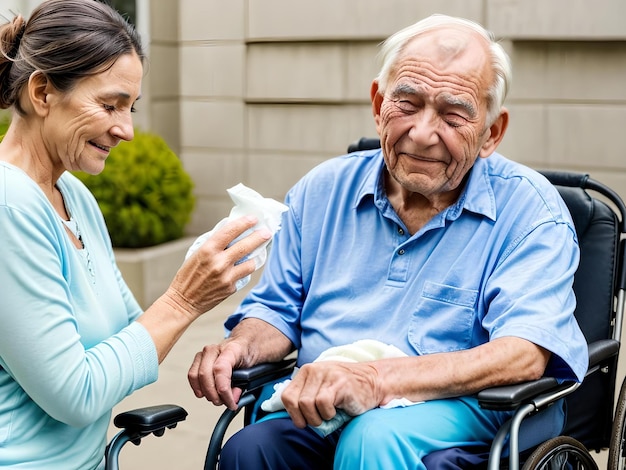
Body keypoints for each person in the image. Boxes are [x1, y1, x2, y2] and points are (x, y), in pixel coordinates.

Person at [187, 13, 588, 470]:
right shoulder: (321, 191)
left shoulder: (532, 213)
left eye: (453, 115)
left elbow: (523, 351)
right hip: (331, 407)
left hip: (472, 405)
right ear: (379, 104)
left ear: (491, 133)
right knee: (249, 449)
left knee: (373, 440)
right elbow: (278, 309)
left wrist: (376, 380)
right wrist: (240, 345)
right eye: (408, 103)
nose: (422, 133)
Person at [0, 1, 271, 469]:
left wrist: (205, 291)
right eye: (109, 105)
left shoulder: (74, 198)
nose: (126, 129)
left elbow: (132, 332)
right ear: (42, 92)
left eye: (131, 107)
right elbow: (76, 395)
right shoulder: (9, 207)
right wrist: (183, 301)